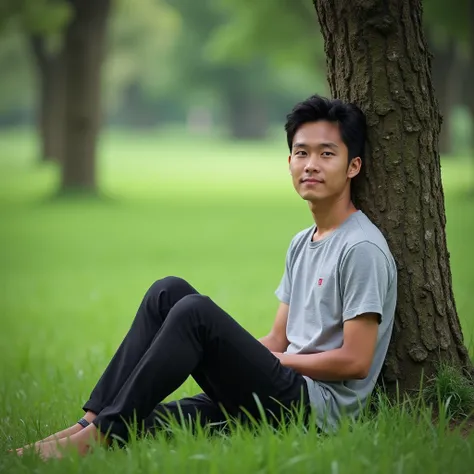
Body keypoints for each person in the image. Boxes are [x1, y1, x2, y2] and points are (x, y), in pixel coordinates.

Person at [15, 95, 397, 459]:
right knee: (166, 300)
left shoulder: (360, 248)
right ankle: (91, 423)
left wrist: (275, 362)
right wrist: (241, 359)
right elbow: (279, 338)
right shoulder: (303, 242)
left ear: (353, 166)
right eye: (302, 153)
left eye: (326, 154)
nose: (311, 164)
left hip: (316, 411)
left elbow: (355, 361)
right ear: (290, 161)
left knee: (195, 313)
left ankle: (90, 440)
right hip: (278, 389)